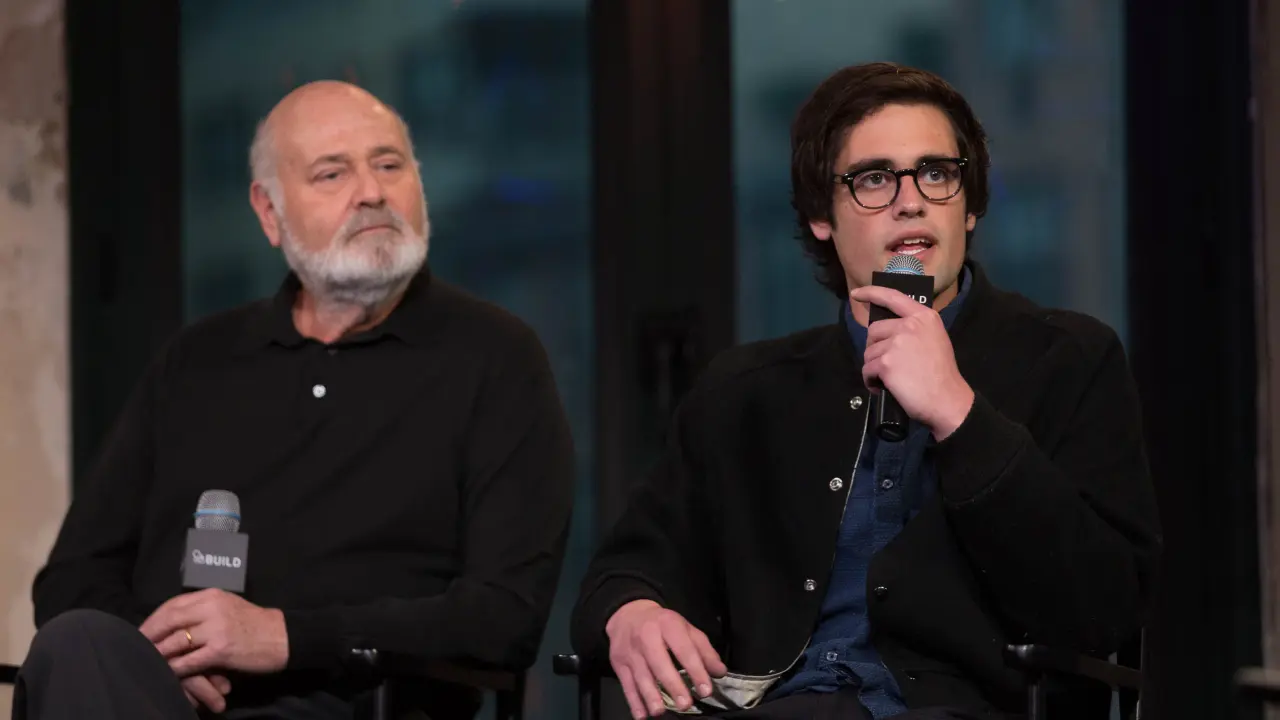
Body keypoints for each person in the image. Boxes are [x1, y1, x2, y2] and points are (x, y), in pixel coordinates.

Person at [570, 62, 1161, 720]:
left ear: (971, 206)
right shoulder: (745, 393)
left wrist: (960, 415)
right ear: (821, 216)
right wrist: (632, 612)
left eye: (936, 173)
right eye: (875, 178)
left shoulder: (1068, 360)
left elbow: (1107, 605)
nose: (911, 201)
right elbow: (625, 568)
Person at [15, 81, 575, 720]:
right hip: (167, 704)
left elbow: (505, 616)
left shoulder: (495, 356)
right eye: (332, 173)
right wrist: (166, 655)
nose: (371, 192)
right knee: (74, 642)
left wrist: (282, 637)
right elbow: (72, 579)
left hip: (357, 705)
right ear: (268, 212)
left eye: (389, 165)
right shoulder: (198, 362)